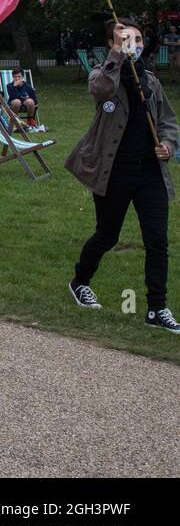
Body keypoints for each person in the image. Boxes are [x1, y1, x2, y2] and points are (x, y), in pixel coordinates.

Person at [67, 18, 178, 333]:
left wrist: (168, 145)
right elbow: (100, 89)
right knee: (107, 235)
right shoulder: (104, 75)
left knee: (157, 241)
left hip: (150, 173)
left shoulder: (152, 82)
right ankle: (80, 281)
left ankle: (157, 309)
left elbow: (168, 120)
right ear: (113, 43)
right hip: (114, 171)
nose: (135, 43)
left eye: (139, 38)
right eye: (128, 38)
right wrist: (117, 53)